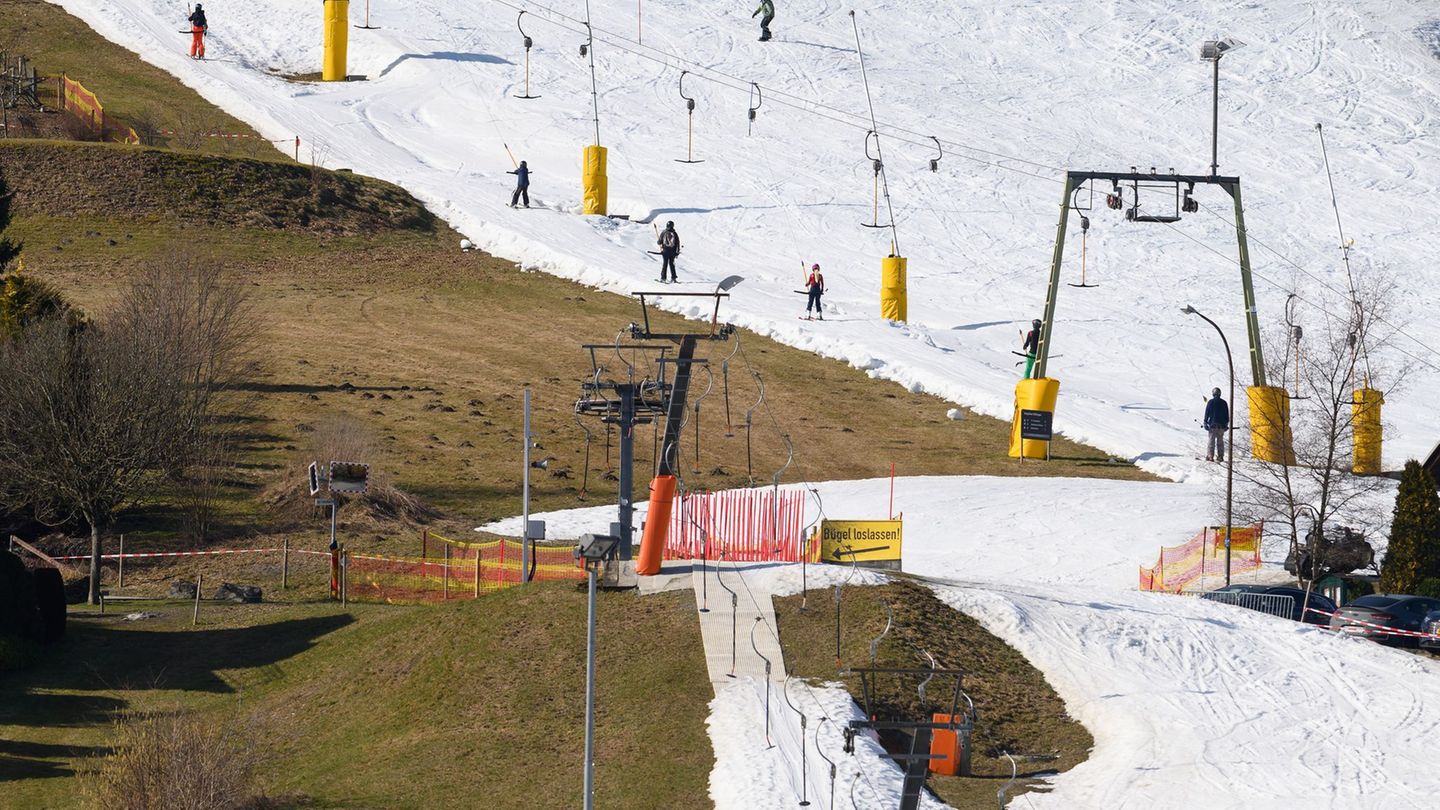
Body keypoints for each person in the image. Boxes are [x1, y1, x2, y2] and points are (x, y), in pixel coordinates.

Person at [1203, 387, 1230, 463]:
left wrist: (1205, 422)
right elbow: (1227, 416)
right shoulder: (1224, 403)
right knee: (1220, 442)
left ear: (1213, 394)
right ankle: (1220, 457)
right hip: (1221, 426)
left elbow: (1207, 413)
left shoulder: (1210, 402)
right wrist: (1226, 425)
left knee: (1211, 442)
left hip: (1212, 426)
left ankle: (1210, 456)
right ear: (1220, 394)